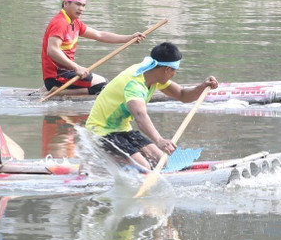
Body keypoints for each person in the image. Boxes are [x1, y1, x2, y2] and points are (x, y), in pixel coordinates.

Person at [85, 42, 219, 170]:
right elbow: (139, 115)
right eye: (174, 71)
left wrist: (202, 86)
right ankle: (97, 165)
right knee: (143, 167)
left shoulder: (152, 74)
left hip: (122, 130)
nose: (174, 74)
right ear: (167, 69)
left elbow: (183, 95)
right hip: (100, 132)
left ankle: (118, 161)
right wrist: (159, 140)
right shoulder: (134, 84)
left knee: (161, 161)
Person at [41, 0, 146, 95]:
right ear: (66, 4)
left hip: (67, 73)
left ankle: (60, 90)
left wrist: (129, 38)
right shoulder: (60, 23)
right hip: (57, 76)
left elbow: (99, 35)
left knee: (101, 83)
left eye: (83, 5)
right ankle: (59, 92)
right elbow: (52, 50)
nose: (81, 8)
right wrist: (77, 67)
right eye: (77, 4)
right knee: (102, 85)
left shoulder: (75, 23)